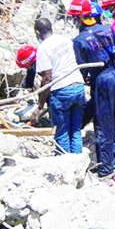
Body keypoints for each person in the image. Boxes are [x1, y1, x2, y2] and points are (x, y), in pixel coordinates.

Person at [71, 0, 115, 179]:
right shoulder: (107, 30)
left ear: (80, 18)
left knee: (103, 124)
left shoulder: (79, 40)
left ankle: (106, 170)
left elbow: (83, 69)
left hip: (102, 80)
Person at [31, 19, 86, 154]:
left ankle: (65, 165)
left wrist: (40, 105)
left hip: (62, 91)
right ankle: (77, 163)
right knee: (75, 130)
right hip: (78, 86)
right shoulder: (65, 40)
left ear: (37, 32)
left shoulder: (43, 48)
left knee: (62, 132)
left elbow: (47, 78)